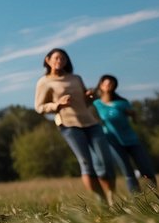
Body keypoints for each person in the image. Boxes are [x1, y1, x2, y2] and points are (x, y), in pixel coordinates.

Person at [34, 48, 116, 205]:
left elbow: (85, 102)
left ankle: (112, 197)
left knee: (105, 161)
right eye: (57, 58)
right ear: (48, 60)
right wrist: (57, 104)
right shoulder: (44, 82)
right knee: (86, 163)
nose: (60, 61)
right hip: (68, 125)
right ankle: (102, 201)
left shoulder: (76, 78)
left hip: (90, 122)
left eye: (63, 59)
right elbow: (39, 107)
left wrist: (89, 97)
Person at [93, 74, 157, 193]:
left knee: (146, 169)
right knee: (128, 172)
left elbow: (135, 120)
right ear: (101, 85)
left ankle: (155, 196)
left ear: (114, 86)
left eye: (111, 84)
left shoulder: (122, 103)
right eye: (106, 83)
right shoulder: (96, 104)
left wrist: (133, 114)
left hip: (131, 139)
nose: (108, 86)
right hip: (113, 142)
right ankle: (138, 202)